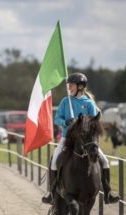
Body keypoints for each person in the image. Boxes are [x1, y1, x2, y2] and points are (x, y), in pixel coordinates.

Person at [42, 72, 119, 205]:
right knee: (54, 161)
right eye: (68, 85)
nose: (69, 88)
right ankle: (51, 193)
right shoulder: (66, 101)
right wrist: (66, 122)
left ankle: (108, 192)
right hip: (67, 139)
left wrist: (86, 123)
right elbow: (57, 119)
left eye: (71, 85)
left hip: (86, 141)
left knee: (105, 161)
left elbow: (95, 121)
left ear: (80, 86)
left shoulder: (88, 103)